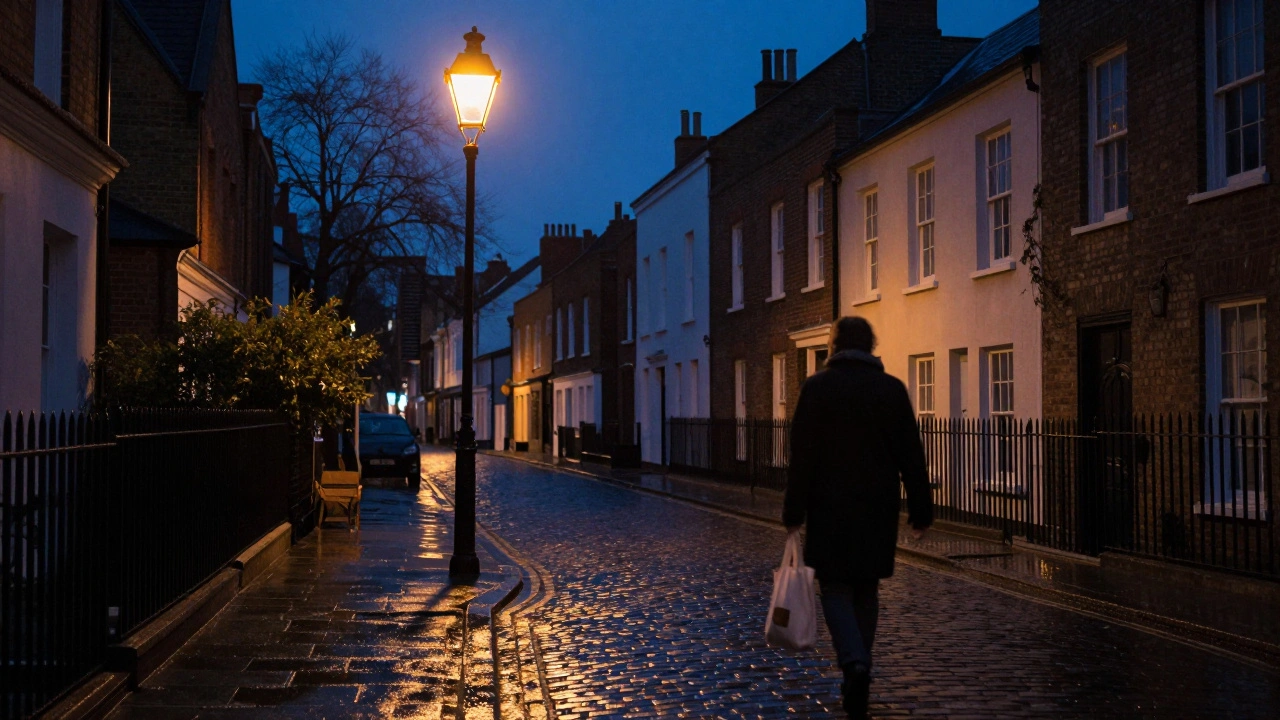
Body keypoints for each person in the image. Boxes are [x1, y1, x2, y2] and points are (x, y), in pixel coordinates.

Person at [783, 316, 932, 718]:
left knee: (835, 588)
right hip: (876, 508)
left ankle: (854, 663)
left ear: (833, 346)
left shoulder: (816, 389)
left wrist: (793, 511)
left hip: (829, 508)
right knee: (866, 587)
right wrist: (921, 510)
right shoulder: (891, 390)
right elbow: (911, 456)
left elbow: (802, 458)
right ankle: (859, 666)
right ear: (870, 345)